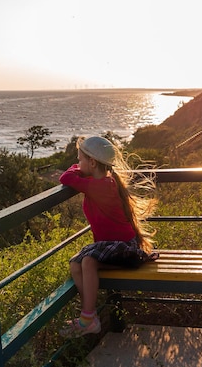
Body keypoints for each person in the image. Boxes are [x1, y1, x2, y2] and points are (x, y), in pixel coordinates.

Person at [59, 136, 158, 337]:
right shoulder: (101, 181)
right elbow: (73, 174)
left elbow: (66, 178)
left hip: (124, 247)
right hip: (112, 246)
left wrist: (75, 170)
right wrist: (80, 168)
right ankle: (90, 315)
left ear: (92, 163)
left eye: (80, 159)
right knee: (75, 264)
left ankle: (87, 319)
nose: (77, 163)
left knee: (87, 262)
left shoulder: (100, 186)